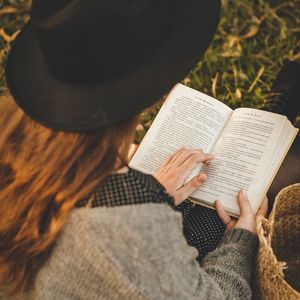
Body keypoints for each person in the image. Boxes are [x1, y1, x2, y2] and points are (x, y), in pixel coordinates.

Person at [0, 0, 274, 299]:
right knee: (218, 219)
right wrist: (242, 240)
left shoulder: (9, 130)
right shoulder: (127, 229)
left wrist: (155, 193)